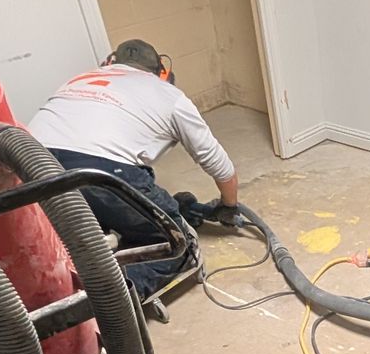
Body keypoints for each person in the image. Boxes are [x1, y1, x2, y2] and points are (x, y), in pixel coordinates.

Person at [27, 39, 240, 305]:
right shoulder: (169, 95)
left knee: (86, 228)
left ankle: (74, 266)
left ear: (110, 63)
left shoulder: (78, 80)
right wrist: (228, 207)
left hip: (31, 167)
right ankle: (107, 302)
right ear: (161, 73)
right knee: (179, 246)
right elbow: (219, 164)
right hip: (101, 173)